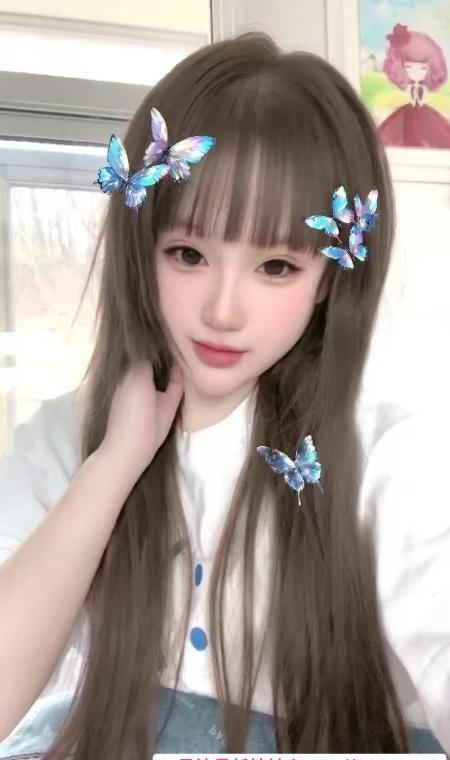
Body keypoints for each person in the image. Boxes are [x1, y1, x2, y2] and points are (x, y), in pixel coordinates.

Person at [0, 31, 448, 760]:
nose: (223, 311)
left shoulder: (390, 459)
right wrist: (113, 467)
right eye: (188, 254)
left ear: (330, 278)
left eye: (276, 266)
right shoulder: (65, 439)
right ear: (140, 249)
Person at [378, 23, 450, 148]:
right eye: (409, 67)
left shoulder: (424, 89)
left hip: (425, 114)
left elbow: (421, 101)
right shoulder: (407, 90)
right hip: (406, 115)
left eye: (423, 68)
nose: (416, 72)